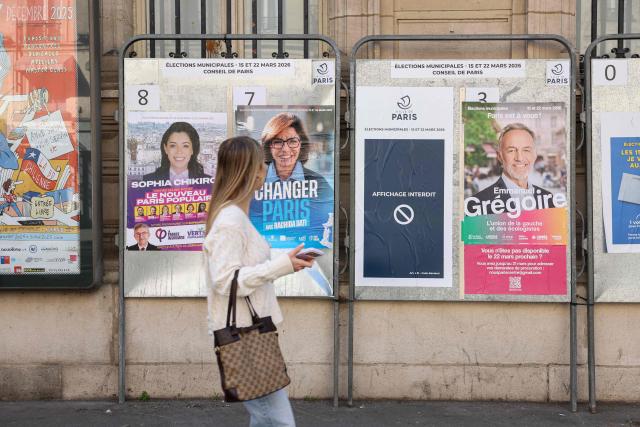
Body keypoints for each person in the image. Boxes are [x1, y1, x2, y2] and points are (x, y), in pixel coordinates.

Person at [204, 136, 313, 427]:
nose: (266, 171)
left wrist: (285, 263)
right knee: (277, 421)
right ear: (251, 172)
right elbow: (226, 282)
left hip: (252, 332)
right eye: (262, 165)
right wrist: (279, 267)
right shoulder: (231, 221)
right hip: (245, 337)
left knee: (266, 418)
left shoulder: (236, 215)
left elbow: (243, 267)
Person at [470, 123, 557, 214]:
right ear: (500, 156)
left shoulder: (549, 200)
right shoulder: (478, 204)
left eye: (526, 150)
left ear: (534, 155)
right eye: (511, 150)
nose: (519, 158)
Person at [143, 122, 211, 181]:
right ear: (165, 148)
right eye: (173, 145)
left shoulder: (208, 181)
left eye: (185, 146)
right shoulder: (148, 180)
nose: (179, 151)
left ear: (193, 149)